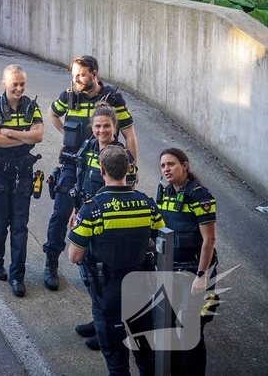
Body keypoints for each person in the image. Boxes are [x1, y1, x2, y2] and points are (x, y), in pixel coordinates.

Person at [43, 54, 137, 291]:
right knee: (60, 214)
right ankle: (51, 263)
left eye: (82, 75)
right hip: (72, 164)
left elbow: (129, 134)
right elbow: (52, 113)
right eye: (74, 75)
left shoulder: (113, 99)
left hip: (102, 168)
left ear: (94, 74)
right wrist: (66, 133)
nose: (77, 79)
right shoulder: (69, 96)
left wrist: (131, 170)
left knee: (100, 217)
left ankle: (99, 272)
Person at [68, 147, 161, 376]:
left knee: (116, 358)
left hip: (108, 290)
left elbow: (74, 256)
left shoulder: (92, 209)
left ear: (101, 171)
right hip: (141, 287)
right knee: (145, 353)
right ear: (129, 170)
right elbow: (159, 241)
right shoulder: (147, 204)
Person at [71, 102, 139, 349]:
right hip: (88, 218)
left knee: (106, 280)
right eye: (98, 125)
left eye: (106, 126)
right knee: (90, 275)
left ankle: (108, 331)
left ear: (115, 126)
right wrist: (75, 211)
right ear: (92, 126)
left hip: (108, 225)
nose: (102, 130)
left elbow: (127, 192)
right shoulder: (88, 147)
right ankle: (98, 320)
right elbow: (81, 184)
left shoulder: (121, 156)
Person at [0, 64, 44, 297]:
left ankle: (18, 276)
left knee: (19, 226)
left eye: (22, 84)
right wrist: (24, 139)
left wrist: (12, 133)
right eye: (14, 84)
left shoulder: (31, 106)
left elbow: (38, 136)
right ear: (4, 83)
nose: (19, 88)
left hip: (22, 172)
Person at [157, 147, 217, 375]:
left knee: (189, 331)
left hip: (194, 273)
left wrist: (201, 276)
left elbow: (209, 239)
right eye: (163, 166)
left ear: (185, 165)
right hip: (169, 269)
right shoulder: (165, 192)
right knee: (168, 326)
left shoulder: (200, 195)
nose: (166, 169)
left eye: (171, 164)